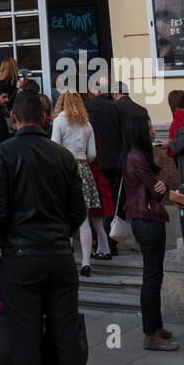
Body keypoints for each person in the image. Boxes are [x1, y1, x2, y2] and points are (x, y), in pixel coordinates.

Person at [0, 90, 90, 365]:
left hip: (21, 256)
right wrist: (61, 234)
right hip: (60, 256)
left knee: (25, 339)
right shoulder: (63, 156)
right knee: (68, 338)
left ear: (14, 118)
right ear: (46, 120)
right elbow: (79, 211)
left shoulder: (4, 153)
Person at [122, 115, 177, 352]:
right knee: (151, 278)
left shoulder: (138, 154)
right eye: (149, 128)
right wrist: (162, 184)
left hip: (147, 217)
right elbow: (156, 188)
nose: (153, 132)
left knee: (155, 275)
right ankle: (151, 333)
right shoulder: (137, 156)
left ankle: (157, 326)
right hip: (146, 217)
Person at [51, 91, 108, 275]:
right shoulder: (87, 124)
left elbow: (54, 147)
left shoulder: (59, 122)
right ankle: (86, 262)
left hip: (64, 169)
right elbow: (92, 154)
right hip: (83, 169)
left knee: (63, 216)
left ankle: (64, 258)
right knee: (83, 219)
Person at [85, 79, 123, 249]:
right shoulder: (116, 107)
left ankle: (98, 240)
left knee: (94, 201)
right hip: (114, 160)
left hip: (94, 161)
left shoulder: (86, 107)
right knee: (114, 200)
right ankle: (111, 239)